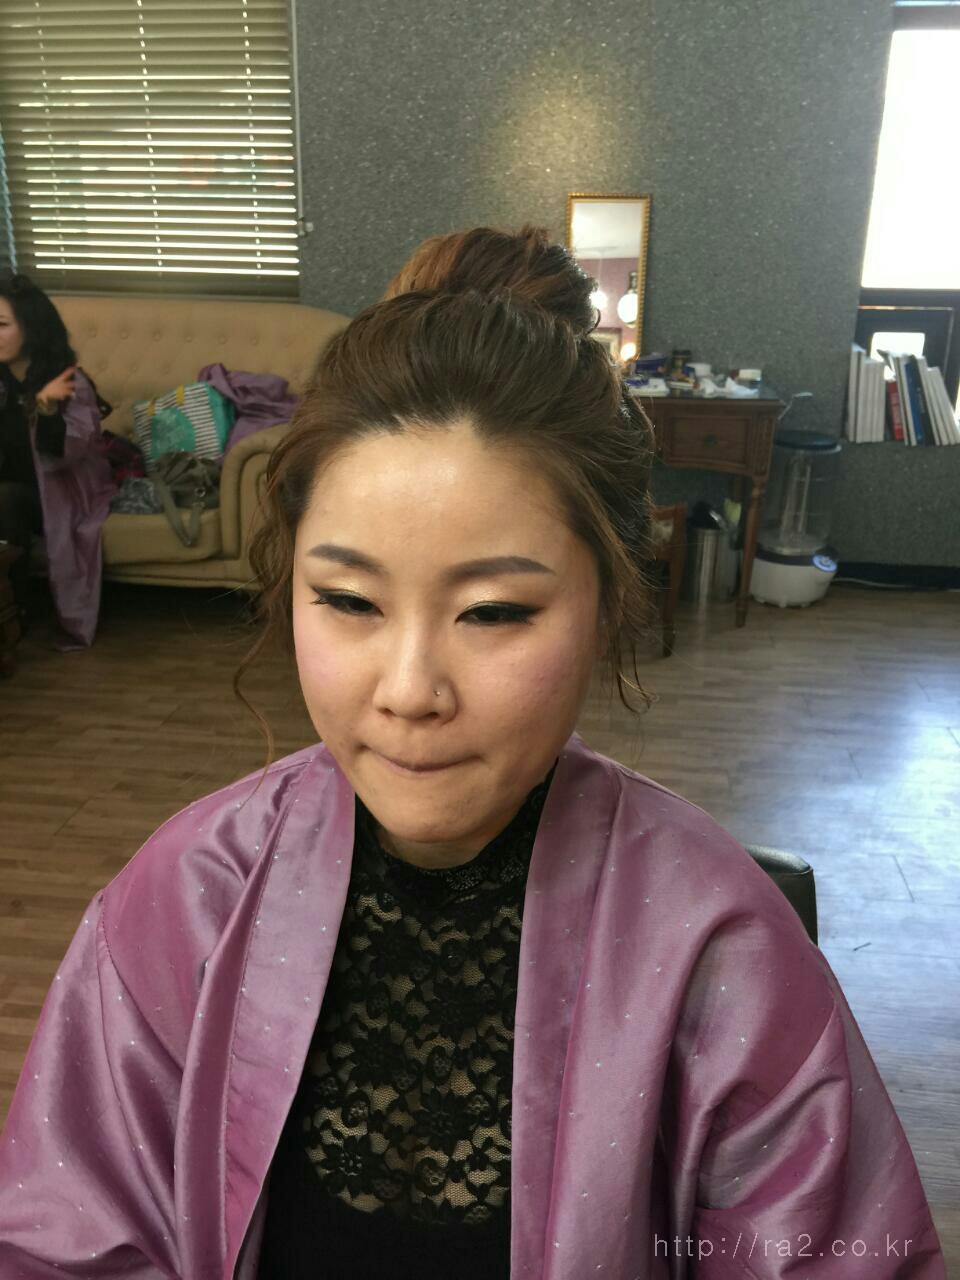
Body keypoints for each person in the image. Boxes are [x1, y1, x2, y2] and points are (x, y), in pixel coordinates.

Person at [0, 227, 945, 1279]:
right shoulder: (182, 906)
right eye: (348, 600)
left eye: (493, 611)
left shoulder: (722, 956)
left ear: (608, 602)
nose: (409, 691)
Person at [0, 272, 115, 648]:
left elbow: (65, 455)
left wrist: (47, 408)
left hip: (61, 492)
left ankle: (12, 615)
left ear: (31, 327)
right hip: (13, 486)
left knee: (6, 501)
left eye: (2, 325)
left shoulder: (68, 381)